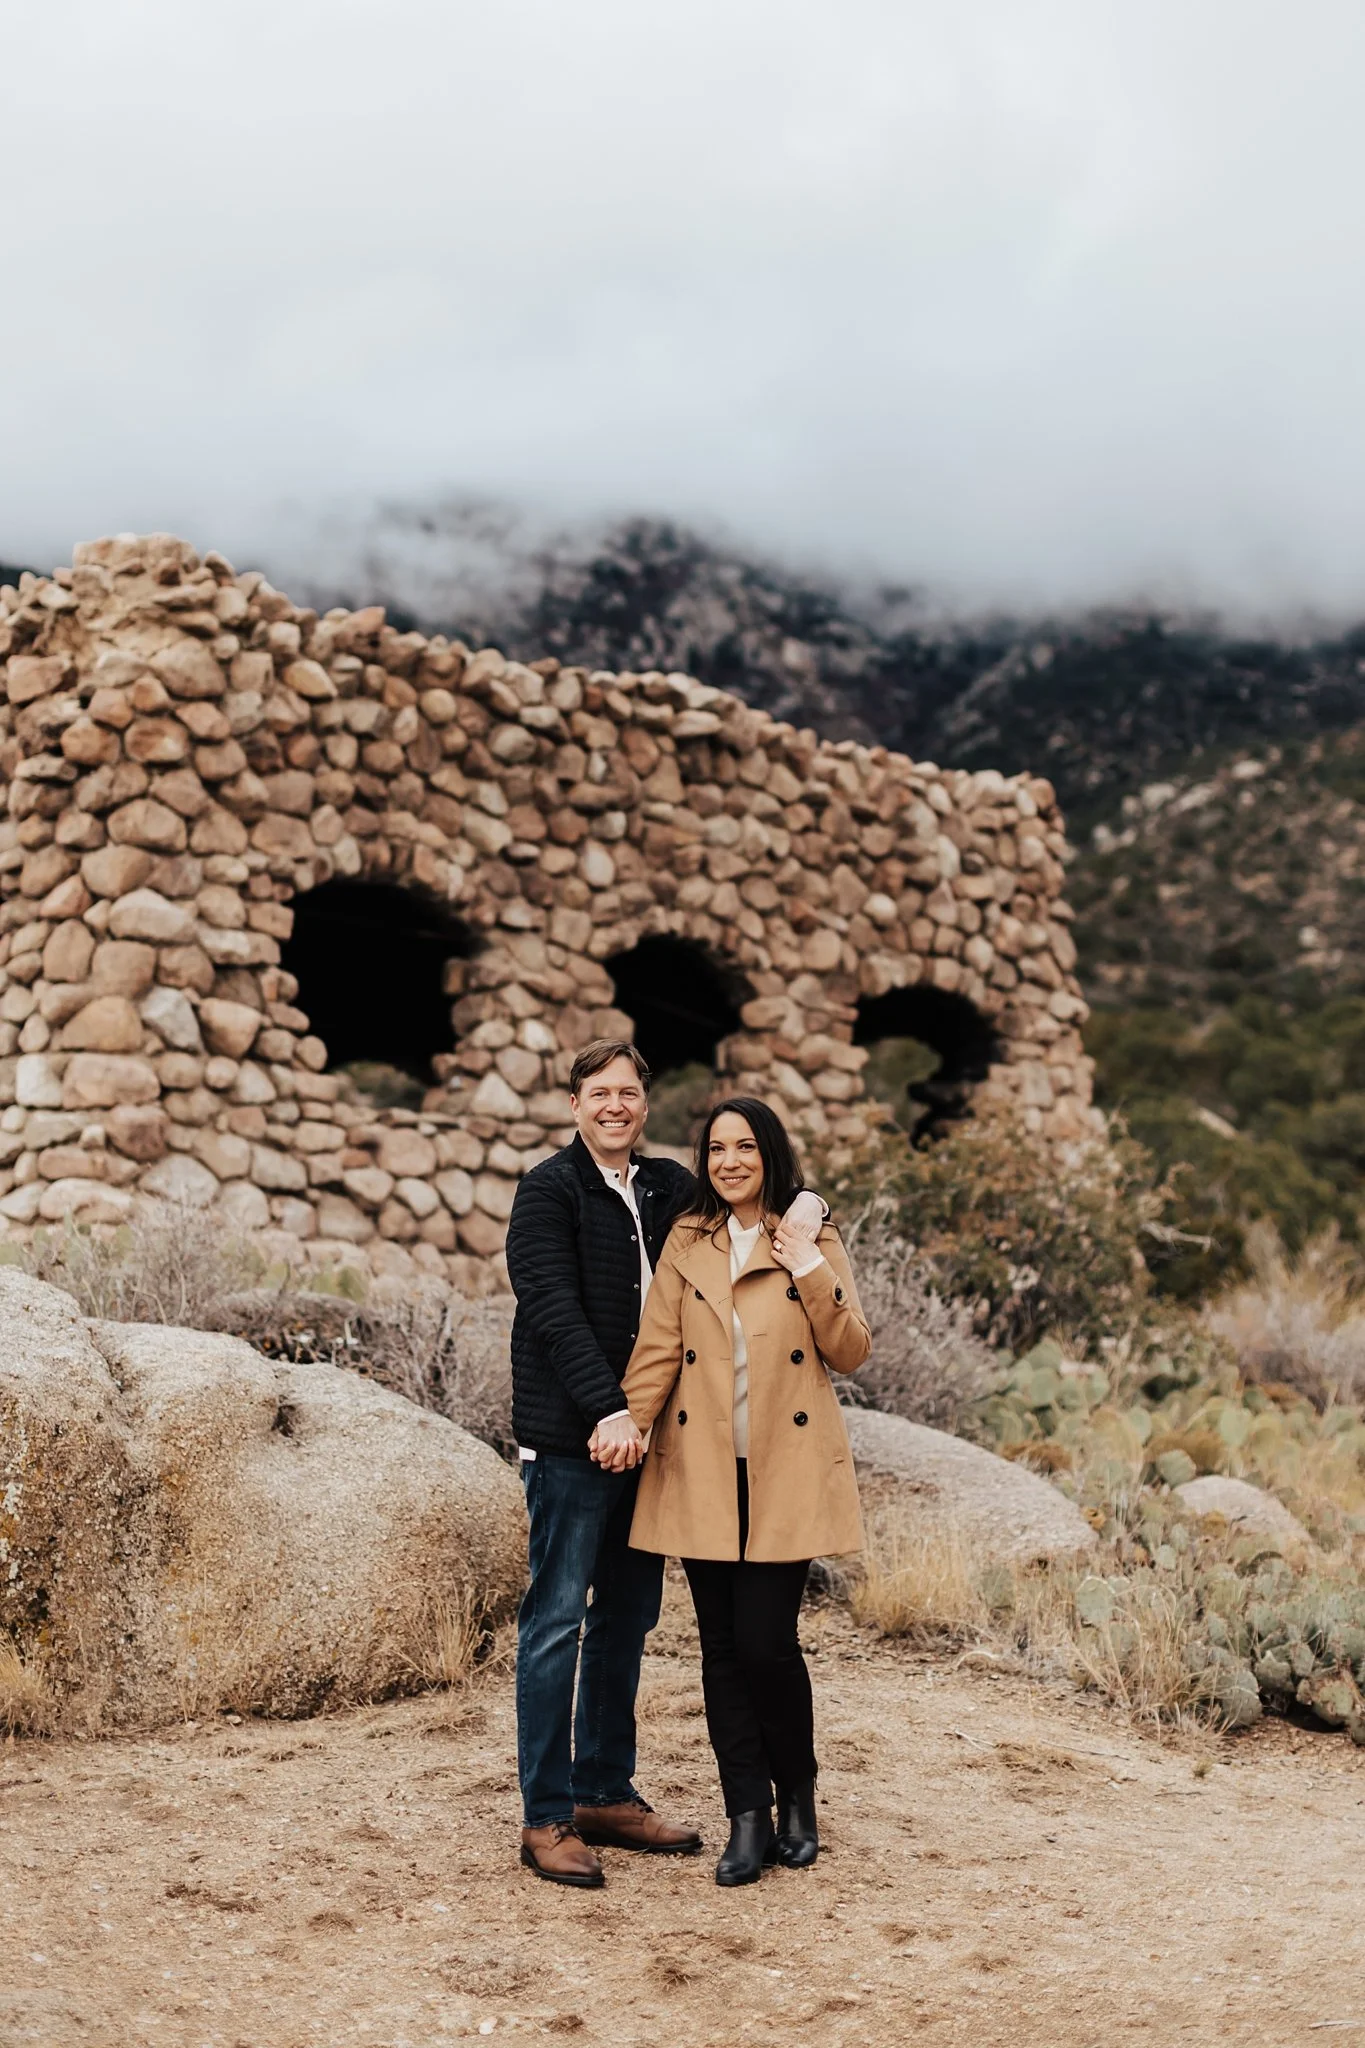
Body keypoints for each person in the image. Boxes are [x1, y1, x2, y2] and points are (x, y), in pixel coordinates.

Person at [505, 1040, 828, 1888]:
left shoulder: (666, 1190)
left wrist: (811, 1206)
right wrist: (610, 1411)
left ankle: (603, 1792)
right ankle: (545, 1817)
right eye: (598, 1092)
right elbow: (551, 1309)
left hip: (650, 1447)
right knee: (555, 1627)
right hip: (580, 1439)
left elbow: (756, 1185)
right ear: (574, 1104)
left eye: (629, 1093)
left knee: (626, 1622)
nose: (614, 1105)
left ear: (645, 1107)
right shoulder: (548, 1191)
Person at [605, 1096, 870, 1887]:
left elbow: (850, 1349)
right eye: (715, 1149)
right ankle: (745, 1815)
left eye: (744, 1147)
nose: (728, 1162)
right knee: (720, 1653)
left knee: (767, 1644)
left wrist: (807, 1261)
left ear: (769, 1155)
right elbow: (657, 1349)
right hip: (702, 1469)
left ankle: (800, 1797)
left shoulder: (809, 1234)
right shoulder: (689, 1237)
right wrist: (623, 1421)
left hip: (783, 1468)